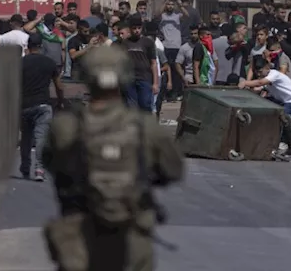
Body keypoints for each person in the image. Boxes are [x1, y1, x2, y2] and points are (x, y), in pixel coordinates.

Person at [41, 44, 184, 271]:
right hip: (131, 236)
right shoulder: (145, 127)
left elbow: (49, 162)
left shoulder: (65, 126)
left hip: (79, 236)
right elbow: (173, 170)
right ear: (125, 75)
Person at [238, 54, 291, 158]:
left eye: (260, 72)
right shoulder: (266, 79)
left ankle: (290, 147)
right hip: (284, 101)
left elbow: (259, 83)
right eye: (257, 72)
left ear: (267, 68)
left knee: (282, 117)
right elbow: (257, 89)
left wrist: (245, 82)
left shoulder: (274, 74)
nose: (259, 74)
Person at [22, 33, 67, 180]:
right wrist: (61, 101)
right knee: (41, 137)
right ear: (41, 47)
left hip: (24, 105)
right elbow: (59, 86)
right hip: (43, 104)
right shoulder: (49, 63)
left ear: (28, 47)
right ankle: (39, 169)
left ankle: (25, 166)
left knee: (26, 138)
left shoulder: (20, 63)